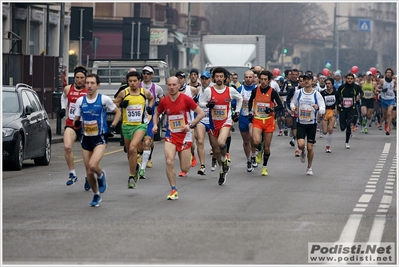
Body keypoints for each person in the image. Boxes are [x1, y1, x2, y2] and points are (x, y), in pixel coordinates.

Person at [152, 76, 204, 200]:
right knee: (169, 161)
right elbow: (157, 114)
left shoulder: (186, 99)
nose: (172, 87)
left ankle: (189, 156)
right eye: (169, 85)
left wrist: (190, 125)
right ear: (167, 86)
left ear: (179, 85)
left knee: (184, 168)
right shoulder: (164, 101)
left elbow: (201, 113)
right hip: (171, 135)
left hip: (185, 135)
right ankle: (173, 189)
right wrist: (155, 124)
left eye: (174, 85)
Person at [73, 73, 121, 207]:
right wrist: (76, 123)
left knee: (93, 165)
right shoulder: (80, 101)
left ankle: (101, 175)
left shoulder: (104, 99)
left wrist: (112, 126)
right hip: (86, 138)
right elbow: (76, 118)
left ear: (97, 85)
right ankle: (96, 195)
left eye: (92, 83)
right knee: (88, 172)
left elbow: (118, 112)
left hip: (100, 137)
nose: (89, 85)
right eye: (87, 83)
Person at [199, 67, 243, 185]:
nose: (219, 78)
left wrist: (237, 112)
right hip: (213, 123)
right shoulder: (209, 90)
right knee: (215, 150)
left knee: (221, 143)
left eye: (221, 76)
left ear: (225, 78)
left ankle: (225, 159)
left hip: (225, 121)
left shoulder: (230, 90)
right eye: (217, 76)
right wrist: (208, 105)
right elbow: (200, 103)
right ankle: (222, 170)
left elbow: (240, 98)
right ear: (214, 78)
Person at [114, 71, 154, 189]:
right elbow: (115, 103)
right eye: (130, 81)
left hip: (140, 126)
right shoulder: (123, 93)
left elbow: (151, 99)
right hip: (126, 126)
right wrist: (121, 104)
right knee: (129, 152)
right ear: (127, 82)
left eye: (135, 81)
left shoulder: (144, 93)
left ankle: (131, 177)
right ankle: (135, 169)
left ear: (139, 81)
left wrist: (150, 107)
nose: (132, 83)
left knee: (132, 148)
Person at [247, 70, 284, 176]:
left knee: (267, 147)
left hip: (268, 120)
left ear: (269, 80)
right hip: (258, 119)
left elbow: (280, 106)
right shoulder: (255, 90)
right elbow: (250, 101)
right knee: (255, 141)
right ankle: (259, 150)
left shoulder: (272, 92)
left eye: (265, 80)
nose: (263, 82)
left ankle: (264, 166)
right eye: (261, 79)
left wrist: (271, 109)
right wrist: (250, 112)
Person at [60, 65, 89, 190]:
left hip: (86, 125)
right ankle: (72, 174)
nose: (79, 80)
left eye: (82, 77)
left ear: (85, 78)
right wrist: (62, 108)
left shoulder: (89, 90)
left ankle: (89, 176)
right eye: (77, 77)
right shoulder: (68, 88)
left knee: (86, 154)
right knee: (67, 147)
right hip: (71, 123)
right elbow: (64, 98)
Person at [290, 73, 326, 175]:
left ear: (312, 81)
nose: (306, 81)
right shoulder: (299, 92)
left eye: (308, 79)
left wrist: (318, 108)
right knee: (301, 145)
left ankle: (309, 167)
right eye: (304, 79)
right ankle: (302, 151)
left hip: (312, 123)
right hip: (301, 122)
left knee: (310, 147)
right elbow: (293, 102)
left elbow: (323, 107)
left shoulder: (316, 94)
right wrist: (293, 107)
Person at [137, 65, 164, 178]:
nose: (146, 75)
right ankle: (141, 154)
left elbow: (163, 102)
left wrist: (160, 113)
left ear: (152, 75)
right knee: (139, 143)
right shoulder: (137, 86)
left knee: (148, 140)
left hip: (150, 117)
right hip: (137, 117)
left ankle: (145, 163)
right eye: (144, 73)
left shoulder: (157, 88)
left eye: (148, 73)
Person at [236, 70, 258, 172]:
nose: (248, 79)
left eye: (250, 77)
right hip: (243, 117)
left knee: (253, 138)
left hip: (254, 117)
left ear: (254, 78)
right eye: (246, 77)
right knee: (246, 141)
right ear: (244, 78)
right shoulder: (240, 89)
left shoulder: (257, 89)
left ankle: (254, 155)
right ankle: (249, 159)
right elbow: (233, 103)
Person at [337, 73, 363, 148]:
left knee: (348, 124)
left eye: (351, 79)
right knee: (342, 127)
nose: (349, 80)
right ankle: (345, 128)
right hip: (343, 108)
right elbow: (338, 96)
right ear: (345, 79)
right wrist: (338, 104)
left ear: (353, 79)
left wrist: (358, 96)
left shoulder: (356, 87)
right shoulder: (342, 87)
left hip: (352, 108)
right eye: (348, 78)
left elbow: (362, 93)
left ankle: (347, 142)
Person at [195, 71, 213, 175]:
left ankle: (215, 158)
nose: (204, 81)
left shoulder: (213, 90)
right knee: (200, 141)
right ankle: (202, 165)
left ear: (210, 79)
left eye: (206, 79)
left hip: (211, 120)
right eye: (202, 79)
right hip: (201, 119)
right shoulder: (197, 90)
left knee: (215, 146)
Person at [320, 77, 339, 153]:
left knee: (330, 128)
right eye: (326, 83)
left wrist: (337, 109)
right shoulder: (322, 93)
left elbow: (338, 102)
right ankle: (322, 128)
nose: (327, 85)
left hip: (332, 111)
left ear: (332, 84)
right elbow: (320, 103)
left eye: (329, 83)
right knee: (325, 132)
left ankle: (328, 146)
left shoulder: (336, 93)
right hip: (325, 111)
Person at [376, 68, 396, 135]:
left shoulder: (394, 81)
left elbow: (395, 87)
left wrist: (395, 90)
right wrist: (381, 90)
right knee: (385, 115)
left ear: (391, 74)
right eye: (387, 72)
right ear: (385, 73)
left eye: (390, 72)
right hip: (384, 99)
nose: (388, 74)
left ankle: (388, 128)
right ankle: (386, 122)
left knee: (389, 113)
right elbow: (376, 88)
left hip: (391, 99)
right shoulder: (382, 81)